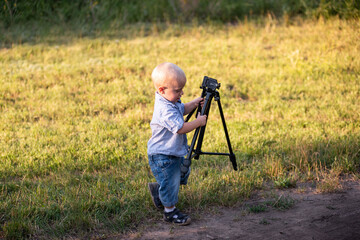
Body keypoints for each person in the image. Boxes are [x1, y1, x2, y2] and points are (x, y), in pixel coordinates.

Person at [147, 62, 207, 225]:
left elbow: (182, 109)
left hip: (172, 152)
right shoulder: (164, 109)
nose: (181, 93)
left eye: (182, 89)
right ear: (162, 90)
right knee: (171, 181)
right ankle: (170, 212)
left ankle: (159, 191)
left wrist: (194, 103)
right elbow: (180, 128)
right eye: (177, 90)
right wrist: (198, 122)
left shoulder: (170, 101)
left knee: (181, 174)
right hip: (163, 156)